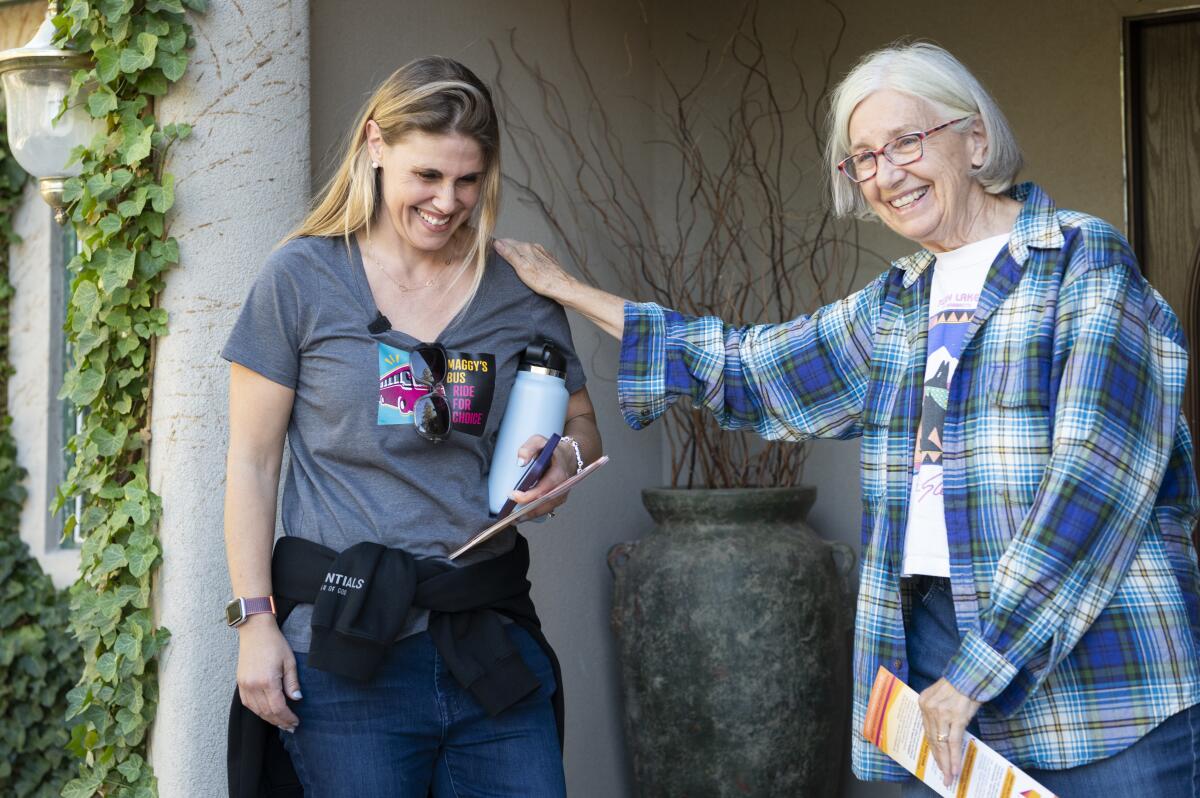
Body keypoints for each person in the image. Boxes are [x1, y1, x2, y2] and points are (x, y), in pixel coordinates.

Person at [495, 41, 1200, 795]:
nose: (886, 173)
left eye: (906, 141)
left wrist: (980, 670)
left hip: (1098, 669)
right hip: (934, 639)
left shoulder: (1083, 261)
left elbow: (1096, 483)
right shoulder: (897, 303)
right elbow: (748, 366)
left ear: (976, 140)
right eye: (863, 158)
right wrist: (566, 288)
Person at [222, 56, 600, 798]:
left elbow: (581, 422)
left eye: (468, 180)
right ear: (375, 145)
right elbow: (251, 464)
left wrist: (566, 460)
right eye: (427, 176)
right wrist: (254, 624)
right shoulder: (300, 279)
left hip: (484, 638)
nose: (447, 202)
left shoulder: (516, 291)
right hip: (345, 648)